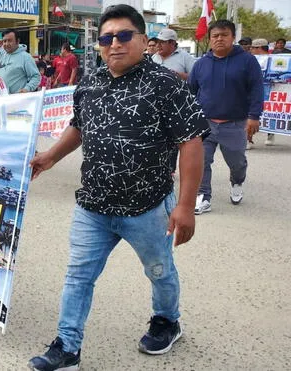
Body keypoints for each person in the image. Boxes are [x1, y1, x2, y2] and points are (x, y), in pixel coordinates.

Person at [27, 5, 209, 370]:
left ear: (144, 40)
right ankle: (67, 347)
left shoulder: (167, 86)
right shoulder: (90, 82)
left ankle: (167, 321)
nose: (115, 44)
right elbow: (79, 127)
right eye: (107, 38)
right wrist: (50, 157)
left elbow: (191, 142)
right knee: (78, 275)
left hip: (147, 207)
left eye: (124, 36)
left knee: (159, 271)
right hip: (92, 206)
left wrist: (185, 205)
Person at [187, 20, 263, 215]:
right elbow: (190, 92)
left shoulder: (247, 61)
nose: (219, 39)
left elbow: (256, 89)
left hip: (235, 124)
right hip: (205, 123)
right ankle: (203, 196)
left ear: (232, 37)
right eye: (215, 36)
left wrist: (254, 116)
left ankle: (237, 182)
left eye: (224, 35)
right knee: (202, 160)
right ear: (210, 39)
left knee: (237, 162)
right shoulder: (201, 64)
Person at [250, 38, 275, 147]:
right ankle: (248, 138)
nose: (251, 50)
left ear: (259, 48)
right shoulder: (250, 59)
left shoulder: (274, 59)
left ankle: (271, 134)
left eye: (253, 48)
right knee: (250, 113)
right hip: (254, 90)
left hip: (271, 90)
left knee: (272, 112)